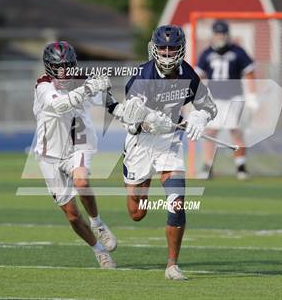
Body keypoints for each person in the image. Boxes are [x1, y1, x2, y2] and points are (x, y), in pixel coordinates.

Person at [109, 25, 217, 280]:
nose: (167, 53)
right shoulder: (141, 76)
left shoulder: (189, 74)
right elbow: (129, 119)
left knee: (177, 203)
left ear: (181, 49)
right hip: (142, 142)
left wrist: (200, 117)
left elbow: (209, 107)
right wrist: (147, 121)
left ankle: (172, 265)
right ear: (154, 49)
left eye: (172, 48)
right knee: (137, 212)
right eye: (163, 48)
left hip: (170, 142)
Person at [33, 41, 117, 268]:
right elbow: (60, 105)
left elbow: (113, 105)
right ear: (48, 66)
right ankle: (98, 250)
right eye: (57, 66)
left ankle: (97, 223)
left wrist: (139, 119)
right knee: (71, 215)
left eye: (66, 66)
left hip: (78, 144)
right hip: (48, 153)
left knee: (81, 180)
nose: (62, 72)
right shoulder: (43, 86)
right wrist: (89, 88)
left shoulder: (83, 78)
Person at [196, 20, 258, 180]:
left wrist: (252, 95)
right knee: (210, 132)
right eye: (218, 34)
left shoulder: (237, 51)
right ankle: (207, 166)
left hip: (234, 98)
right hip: (214, 99)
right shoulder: (207, 53)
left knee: (236, 131)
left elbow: (249, 72)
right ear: (213, 35)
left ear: (227, 35)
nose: (220, 37)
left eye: (223, 33)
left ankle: (241, 166)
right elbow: (198, 75)